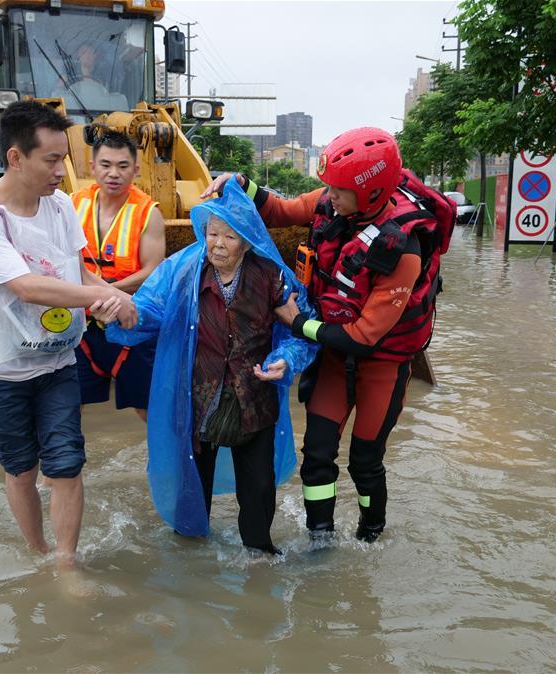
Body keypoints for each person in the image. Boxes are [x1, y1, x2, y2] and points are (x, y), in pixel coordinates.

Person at [203, 127, 453, 543]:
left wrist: (296, 323)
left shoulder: (403, 248)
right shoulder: (330, 205)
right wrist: (243, 184)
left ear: (371, 193)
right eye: (329, 187)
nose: (329, 196)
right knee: (317, 455)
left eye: (339, 190)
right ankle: (321, 539)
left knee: (365, 460)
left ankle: (371, 534)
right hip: (334, 359)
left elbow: (362, 335)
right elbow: (280, 210)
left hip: (381, 364)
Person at [0, 100, 136, 567]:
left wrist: (118, 298)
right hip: (0, 371)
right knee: (20, 469)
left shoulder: (59, 206)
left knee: (66, 465)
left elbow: (79, 272)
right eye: (52, 160)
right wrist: (107, 301)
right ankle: (36, 550)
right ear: (16, 158)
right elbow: (25, 286)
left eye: (65, 159)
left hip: (57, 361)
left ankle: (64, 563)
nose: (63, 171)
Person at [103, 179, 318, 555]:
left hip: (254, 397)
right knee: (191, 489)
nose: (218, 243)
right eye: (212, 233)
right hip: (198, 397)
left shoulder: (273, 276)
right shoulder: (183, 269)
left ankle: (258, 559)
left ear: (248, 240)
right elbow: (150, 310)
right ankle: (192, 559)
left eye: (230, 237)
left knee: (258, 492)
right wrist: (126, 314)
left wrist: (286, 360)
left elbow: (302, 331)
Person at [69, 131, 165, 421]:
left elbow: (152, 272)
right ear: (92, 167)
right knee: (66, 408)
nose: (114, 173)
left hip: (131, 324)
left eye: (123, 166)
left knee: (149, 409)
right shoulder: (71, 204)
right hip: (80, 327)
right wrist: (98, 294)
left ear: (136, 169)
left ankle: (171, 465)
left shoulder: (148, 213)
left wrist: (110, 292)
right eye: (106, 164)